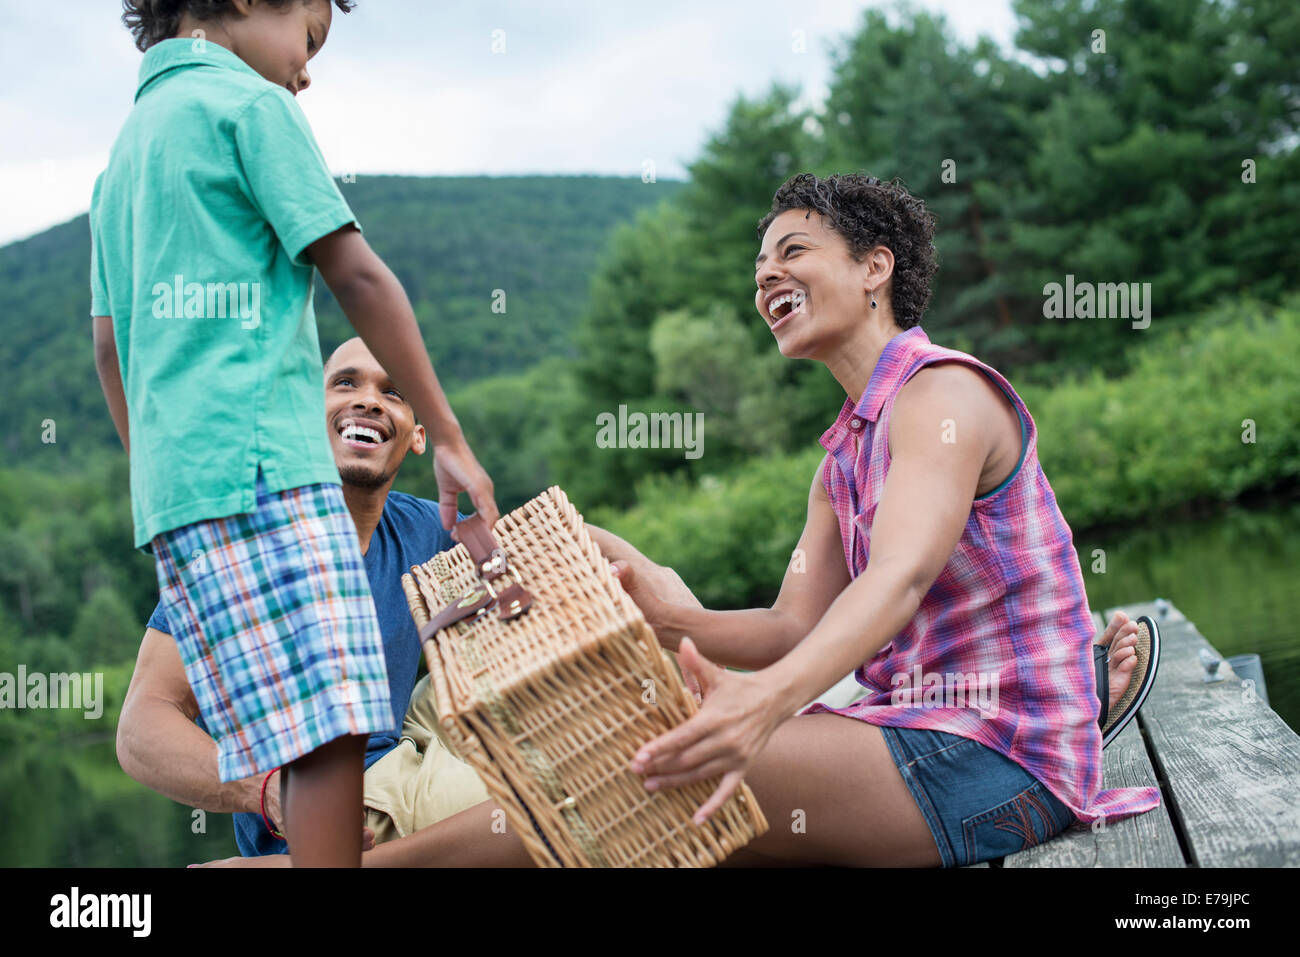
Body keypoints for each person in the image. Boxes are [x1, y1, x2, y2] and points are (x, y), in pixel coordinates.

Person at [245, 173, 1159, 868]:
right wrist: (664, 606)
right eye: (761, 268)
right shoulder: (841, 460)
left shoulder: (941, 395)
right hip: (921, 735)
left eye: (793, 253)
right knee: (655, 740)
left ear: (875, 268)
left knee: (652, 772)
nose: (768, 278)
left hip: (998, 764)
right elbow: (790, 625)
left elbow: (901, 577)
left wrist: (762, 702)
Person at [92, 0, 497, 866]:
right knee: (336, 726)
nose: (306, 69)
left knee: (313, 729)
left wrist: (162, 478)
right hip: (265, 466)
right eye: (309, 37)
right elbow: (355, 271)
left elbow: (108, 346)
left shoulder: (124, 155)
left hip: (181, 490)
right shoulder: (250, 106)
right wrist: (453, 433)